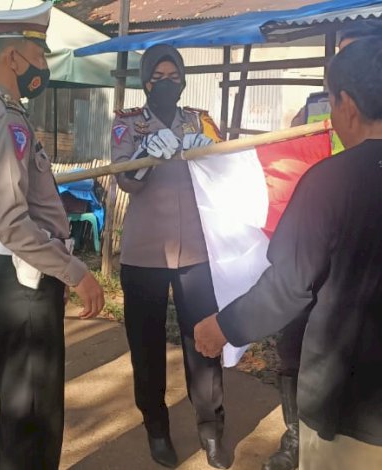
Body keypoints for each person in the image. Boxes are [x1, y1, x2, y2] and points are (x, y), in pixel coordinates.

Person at [193, 38, 382, 470]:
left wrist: (223, 326)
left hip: (352, 414)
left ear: (345, 101)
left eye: (330, 101)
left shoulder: (333, 179)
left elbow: (289, 288)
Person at [0, 4, 106, 469]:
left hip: (8, 275)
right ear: (12, 58)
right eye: (38, 51)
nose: (44, 61)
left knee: (2, 402)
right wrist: (77, 272)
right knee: (33, 417)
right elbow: (12, 221)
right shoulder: (4, 116)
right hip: (25, 281)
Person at [264, 19, 382, 470]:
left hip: (363, 256)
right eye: (339, 53)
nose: (344, 62)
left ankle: (341, 441)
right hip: (316, 241)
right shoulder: (317, 105)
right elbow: (293, 158)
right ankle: (296, 437)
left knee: (351, 354)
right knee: (293, 347)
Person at [111, 43, 231, 469]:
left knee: (204, 343)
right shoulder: (127, 125)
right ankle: (156, 429)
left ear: (183, 80)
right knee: (145, 347)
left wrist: (211, 152)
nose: (166, 84)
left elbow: (226, 169)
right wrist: (146, 157)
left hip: (196, 253)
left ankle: (211, 429)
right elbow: (124, 179)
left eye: (173, 76)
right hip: (145, 254)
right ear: (145, 82)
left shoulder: (200, 121)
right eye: (157, 77)